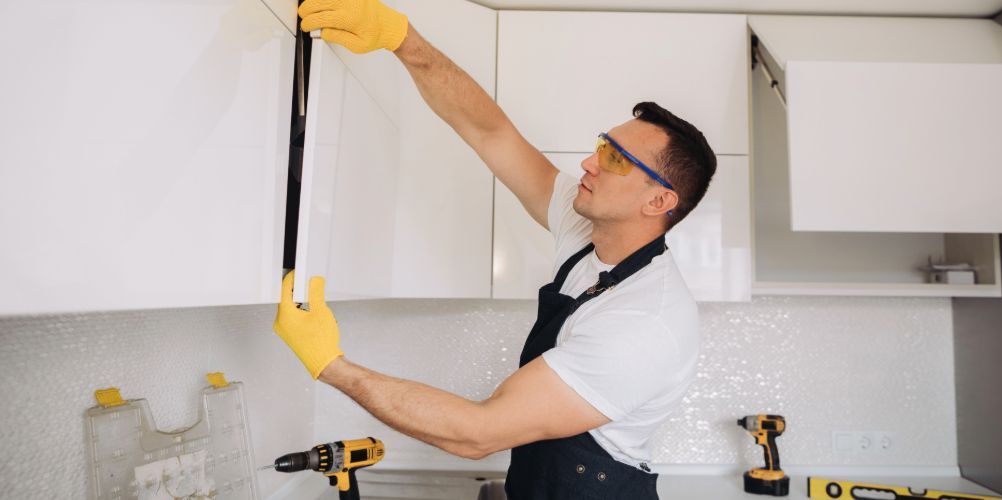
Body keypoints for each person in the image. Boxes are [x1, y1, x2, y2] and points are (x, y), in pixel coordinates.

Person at [273, 1, 718, 498]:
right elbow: (490, 132)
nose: (588, 163)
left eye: (614, 158)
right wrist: (402, 39)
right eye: (601, 144)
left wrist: (331, 365)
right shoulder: (583, 225)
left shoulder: (643, 324)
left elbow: (478, 433)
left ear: (658, 200)